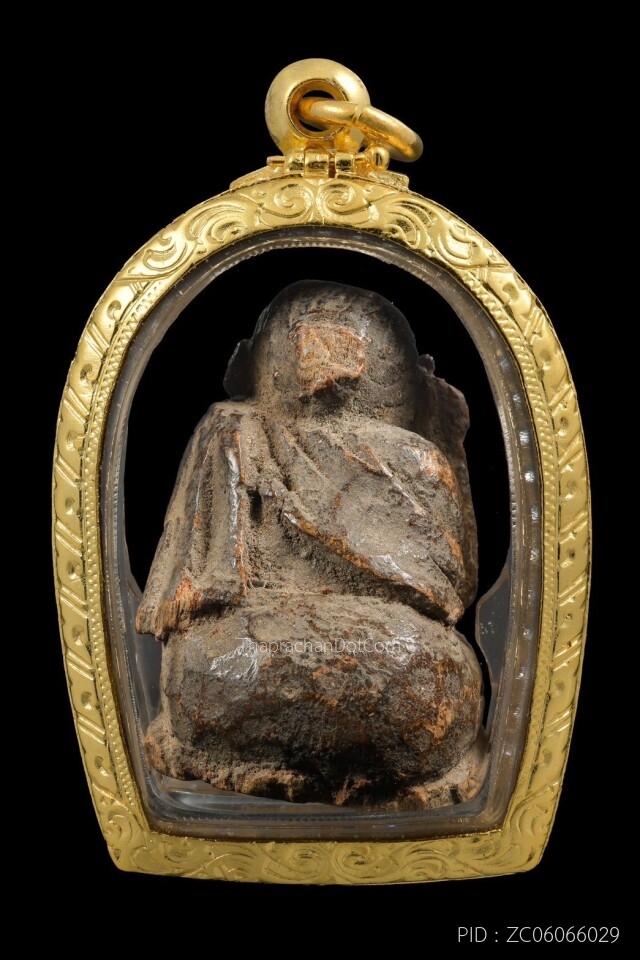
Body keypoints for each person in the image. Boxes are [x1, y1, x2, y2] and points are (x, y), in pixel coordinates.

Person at [136, 281, 485, 808]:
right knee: (207, 659)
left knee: (433, 671)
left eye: (342, 346)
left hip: (395, 650)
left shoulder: (416, 459)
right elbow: (208, 587)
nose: (322, 365)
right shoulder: (235, 432)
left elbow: (446, 597)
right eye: (304, 342)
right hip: (250, 644)